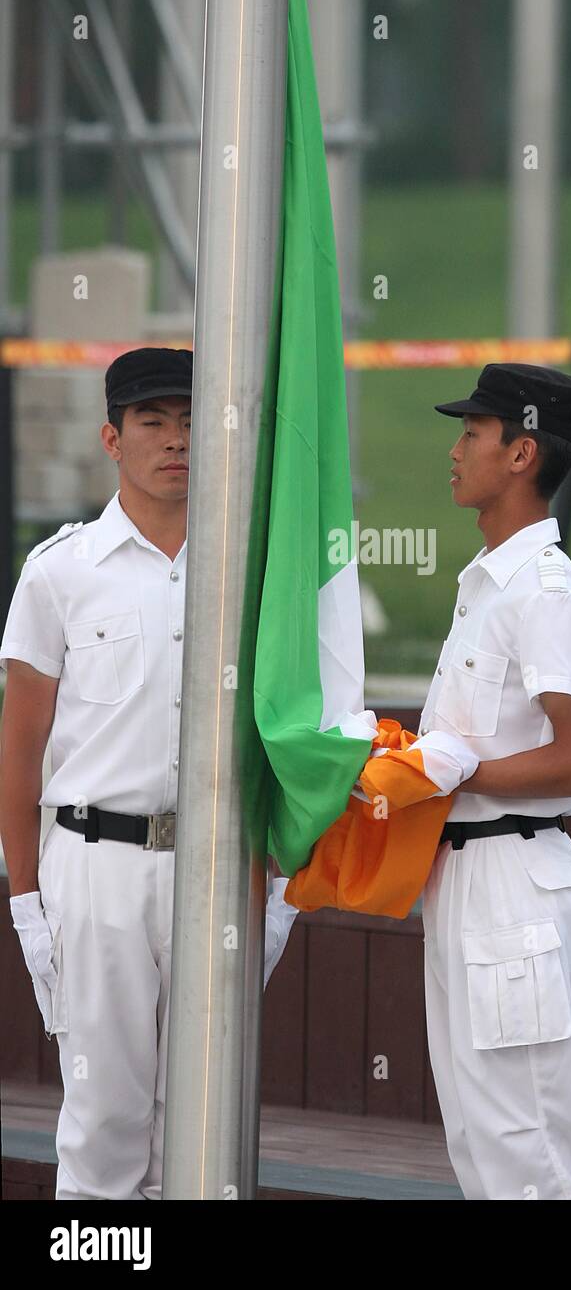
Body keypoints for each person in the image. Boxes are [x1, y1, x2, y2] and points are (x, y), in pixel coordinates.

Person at [0, 346, 298, 1200]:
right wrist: (26, 902)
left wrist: (278, 888)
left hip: (220, 864)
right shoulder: (60, 572)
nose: (176, 441)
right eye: (154, 422)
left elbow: (287, 735)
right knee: (102, 1127)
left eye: (194, 422)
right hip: (96, 871)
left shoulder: (255, 574)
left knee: (205, 1132)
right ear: (111, 437)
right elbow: (19, 753)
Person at [418, 361, 571, 1200]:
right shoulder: (490, 586)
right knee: (478, 1135)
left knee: (524, 1144)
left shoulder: (546, 592)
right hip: (464, 876)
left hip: (512, 884)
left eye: (472, 433)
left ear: (522, 452)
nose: (454, 451)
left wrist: (459, 775)